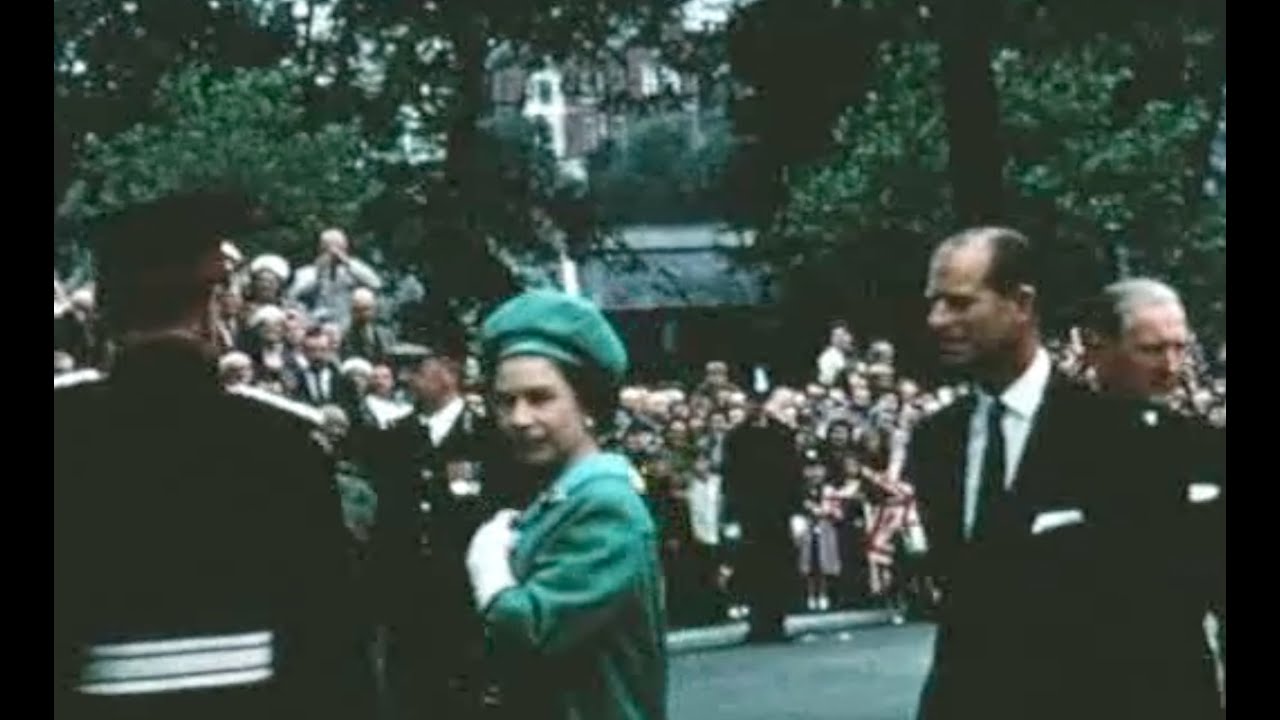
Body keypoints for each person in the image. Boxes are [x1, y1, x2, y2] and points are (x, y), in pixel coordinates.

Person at [54, 190, 373, 719]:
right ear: (211, 313)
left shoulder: (66, 432)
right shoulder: (282, 440)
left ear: (103, 314)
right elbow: (331, 640)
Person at [907, 226, 1117, 719]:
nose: (938, 320)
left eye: (960, 303)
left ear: (1022, 304)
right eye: (934, 303)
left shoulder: (1110, 432)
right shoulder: (936, 440)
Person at [464, 289, 667, 719]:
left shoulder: (605, 505)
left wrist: (490, 571)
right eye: (505, 401)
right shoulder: (562, 496)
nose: (519, 418)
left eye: (540, 398)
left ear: (587, 404)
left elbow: (529, 632)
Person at [1080, 278, 1226, 718]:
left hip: (1184, 691)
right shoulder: (1047, 447)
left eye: (1180, 348)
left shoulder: (1204, 446)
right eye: (1151, 350)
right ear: (1096, 347)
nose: (1171, 365)